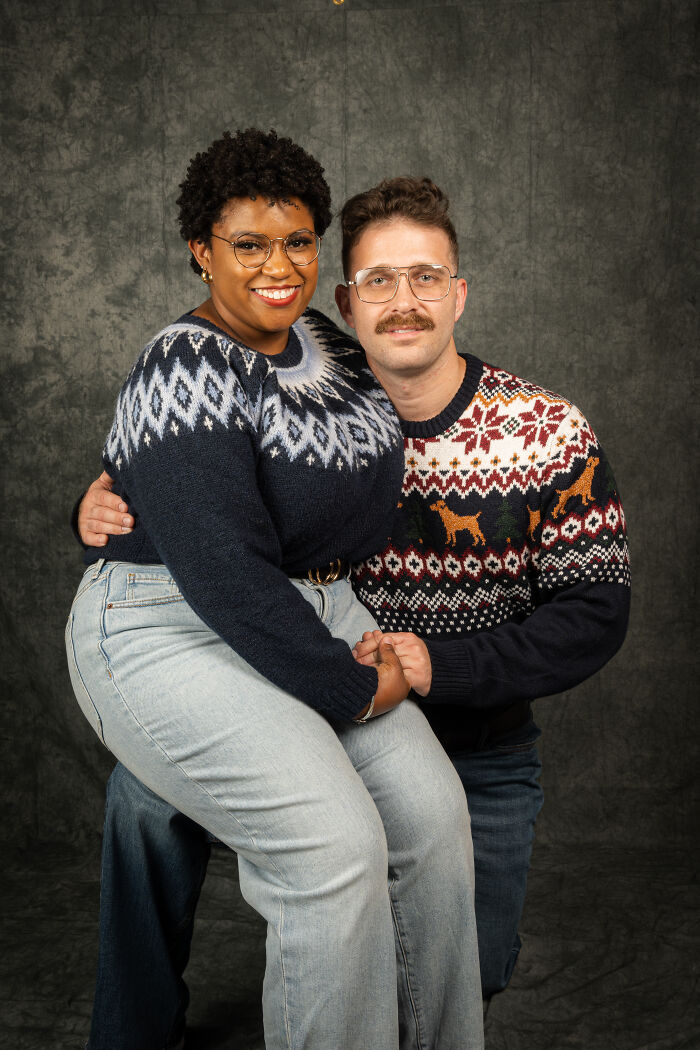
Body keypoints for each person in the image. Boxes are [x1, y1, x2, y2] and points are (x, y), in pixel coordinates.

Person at [77, 173, 631, 1043]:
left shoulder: (534, 425)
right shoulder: (295, 368)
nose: (403, 302)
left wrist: (436, 667)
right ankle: (133, 1030)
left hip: (454, 714)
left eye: (425, 278)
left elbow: (597, 610)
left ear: (459, 293)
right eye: (378, 281)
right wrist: (102, 508)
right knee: (155, 803)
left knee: (459, 919)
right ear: (346, 300)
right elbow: (197, 500)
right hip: (283, 655)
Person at [66, 132, 484, 1050]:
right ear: (201, 250)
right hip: (167, 624)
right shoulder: (183, 363)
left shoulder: (329, 345)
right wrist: (351, 686)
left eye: (298, 242)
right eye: (248, 244)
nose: (278, 266)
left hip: (312, 613)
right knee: (334, 849)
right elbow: (219, 565)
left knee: (432, 822)